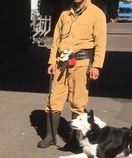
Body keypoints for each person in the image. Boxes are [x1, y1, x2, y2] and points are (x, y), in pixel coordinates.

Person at [37, 0, 107, 149]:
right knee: (53, 99)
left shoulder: (96, 14)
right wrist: (52, 61)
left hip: (82, 63)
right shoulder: (64, 14)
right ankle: (50, 136)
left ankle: (75, 141)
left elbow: (100, 42)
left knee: (78, 103)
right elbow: (56, 40)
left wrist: (96, 66)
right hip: (62, 63)